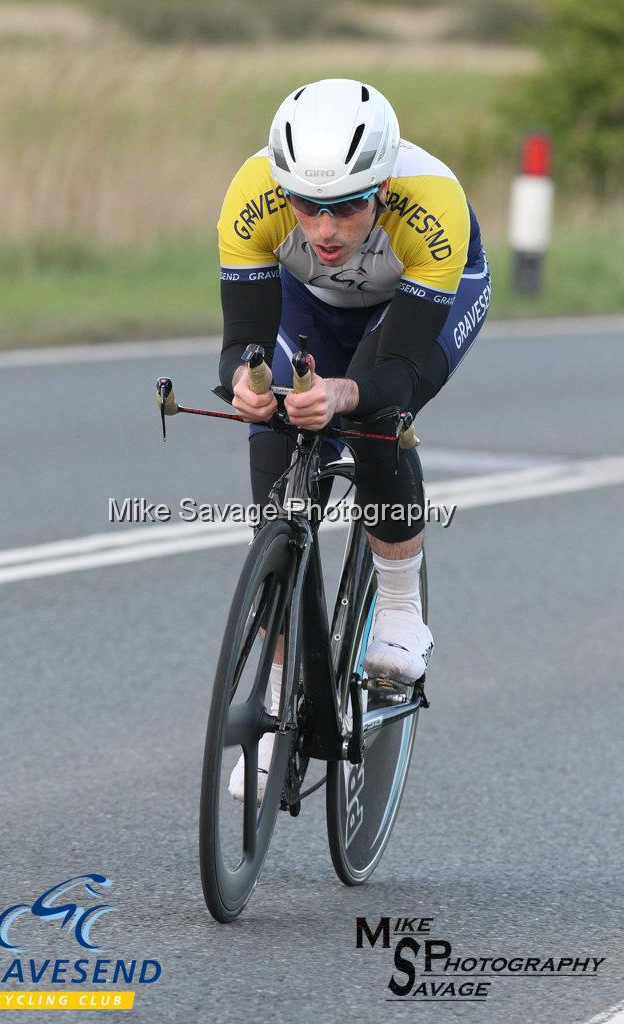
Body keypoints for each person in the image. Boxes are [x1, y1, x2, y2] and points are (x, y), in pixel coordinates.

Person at [217, 79, 490, 801]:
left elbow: (397, 371)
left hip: (420, 299)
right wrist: (245, 385)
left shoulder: (431, 205)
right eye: (307, 206)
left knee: (374, 421)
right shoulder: (251, 196)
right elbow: (241, 341)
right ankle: (275, 704)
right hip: (311, 302)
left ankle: (399, 608)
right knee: (274, 430)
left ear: (383, 184)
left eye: (346, 206)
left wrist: (342, 392)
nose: (326, 227)